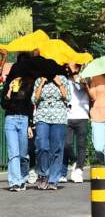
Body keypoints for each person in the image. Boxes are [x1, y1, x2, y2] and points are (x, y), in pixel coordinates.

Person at [32, 61, 71, 190]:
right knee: (41, 144)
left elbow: (68, 98)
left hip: (59, 118)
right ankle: (43, 174)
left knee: (57, 148)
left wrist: (59, 83)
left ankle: (53, 179)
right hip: (42, 117)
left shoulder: (63, 79)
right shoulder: (39, 80)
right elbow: (34, 99)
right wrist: (42, 83)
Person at [1, 68, 35, 191]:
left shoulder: (28, 86)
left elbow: (30, 107)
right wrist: (9, 90)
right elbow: (4, 105)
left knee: (23, 154)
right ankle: (15, 182)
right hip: (10, 120)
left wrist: (30, 125)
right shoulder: (7, 86)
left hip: (24, 120)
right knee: (13, 153)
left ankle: (23, 178)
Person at [59, 62, 90, 183]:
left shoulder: (84, 77)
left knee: (81, 145)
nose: (68, 69)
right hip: (67, 116)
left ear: (77, 67)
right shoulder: (64, 80)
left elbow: (80, 87)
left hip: (82, 115)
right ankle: (74, 160)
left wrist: (75, 72)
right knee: (66, 144)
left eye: (70, 67)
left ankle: (79, 170)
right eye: (66, 67)